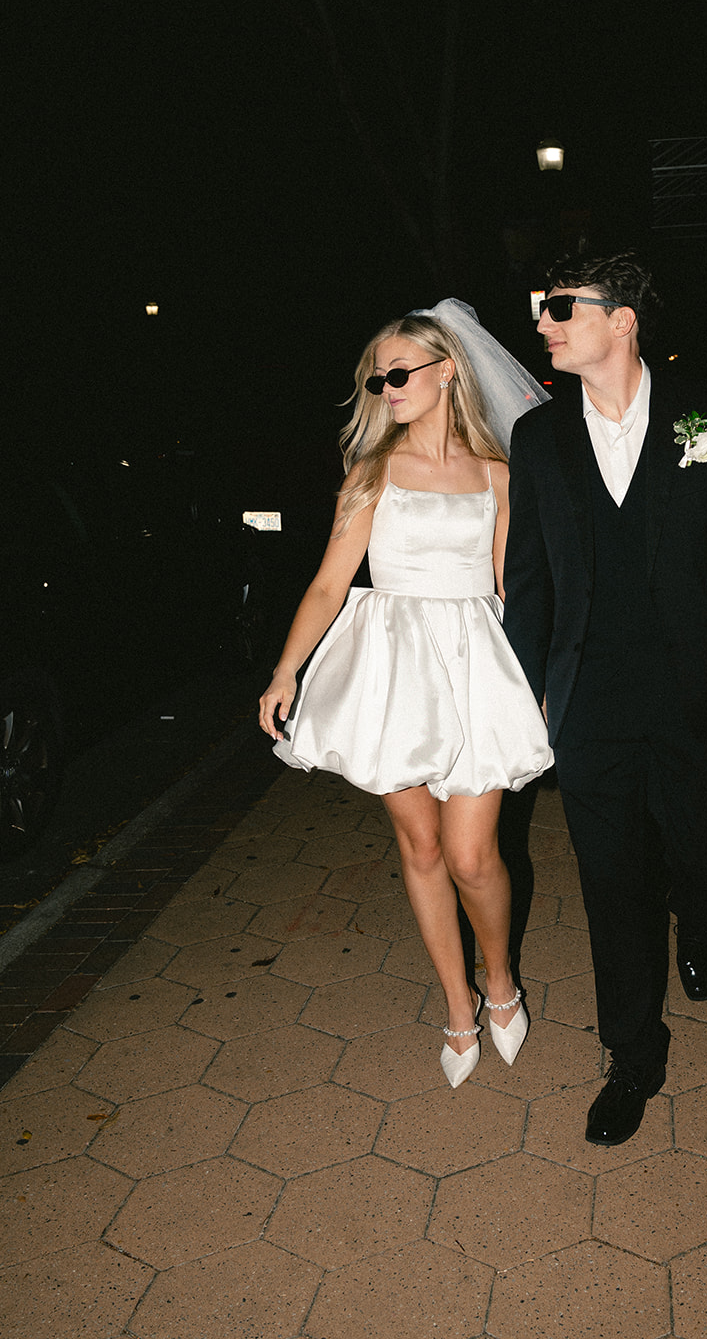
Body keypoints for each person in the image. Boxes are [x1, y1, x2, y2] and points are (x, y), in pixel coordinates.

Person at [503, 250, 707, 1146]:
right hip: (589, 701)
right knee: (611, 882)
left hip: (701, 695)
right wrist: (526, 696)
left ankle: (701, 912)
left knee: (705, 849)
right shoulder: (538, 438)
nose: (541, 324)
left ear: (621, 320)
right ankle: (632, 1056)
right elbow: (531, 581)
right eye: (537, 309)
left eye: (559, 307)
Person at [259, 300, 552, 1088]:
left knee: (472, 854)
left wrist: (540, 683)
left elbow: (509, 587)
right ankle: (457, 1005)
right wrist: (287, 668)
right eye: (376, 377)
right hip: (391, 669)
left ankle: (500, 981)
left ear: (446, 370)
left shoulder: (497, 476)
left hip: (475, 664)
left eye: (398, 372)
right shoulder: (371, 473)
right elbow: (329, 584)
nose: (385, 387)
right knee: (420, 848)